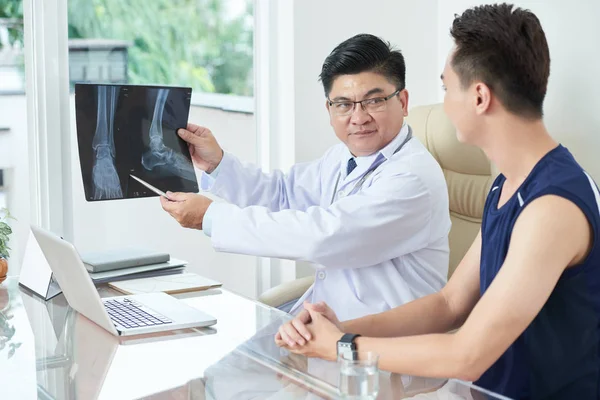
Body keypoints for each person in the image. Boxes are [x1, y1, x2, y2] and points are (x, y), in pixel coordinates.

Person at [275, 4, 600, 399]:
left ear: (479, 96)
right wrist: (345, 328)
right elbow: (450, 304)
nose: (442, 104)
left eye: (447, 88)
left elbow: (467, 355)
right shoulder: (509, 184)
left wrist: (339, 347)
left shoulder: (552, 207)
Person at [161, 34, 451, 321]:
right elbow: (282, 194)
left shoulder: (413, 178)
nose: (359, 117)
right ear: (329, 109)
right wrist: (217, 163)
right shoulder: (342, 157)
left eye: (374, 101)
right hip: (323, 325)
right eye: (344, 104)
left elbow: (324, 236)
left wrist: (210, 217)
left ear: (403, 101)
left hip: (379, 348)